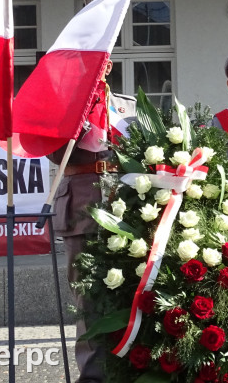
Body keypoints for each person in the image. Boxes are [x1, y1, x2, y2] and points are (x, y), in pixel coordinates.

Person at [50, 59, 136, 383]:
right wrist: (80, 114)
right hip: (82, 209)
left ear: (109, 65)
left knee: (130, 293)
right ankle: (93, 377)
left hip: (128, 211)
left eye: (102, 61)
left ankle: (131, 371)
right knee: (89, 300)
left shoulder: (128, 106)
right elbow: (55, 153)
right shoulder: (66, 107)